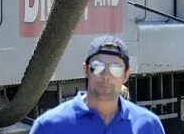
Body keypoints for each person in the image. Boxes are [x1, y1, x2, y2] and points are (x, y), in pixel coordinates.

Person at [30, 35, 165, 133]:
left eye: (115, 68)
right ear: (86, 70)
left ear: (126, 75)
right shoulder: (49, 126)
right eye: (98, 67)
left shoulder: (148, 126)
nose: (106, 75)